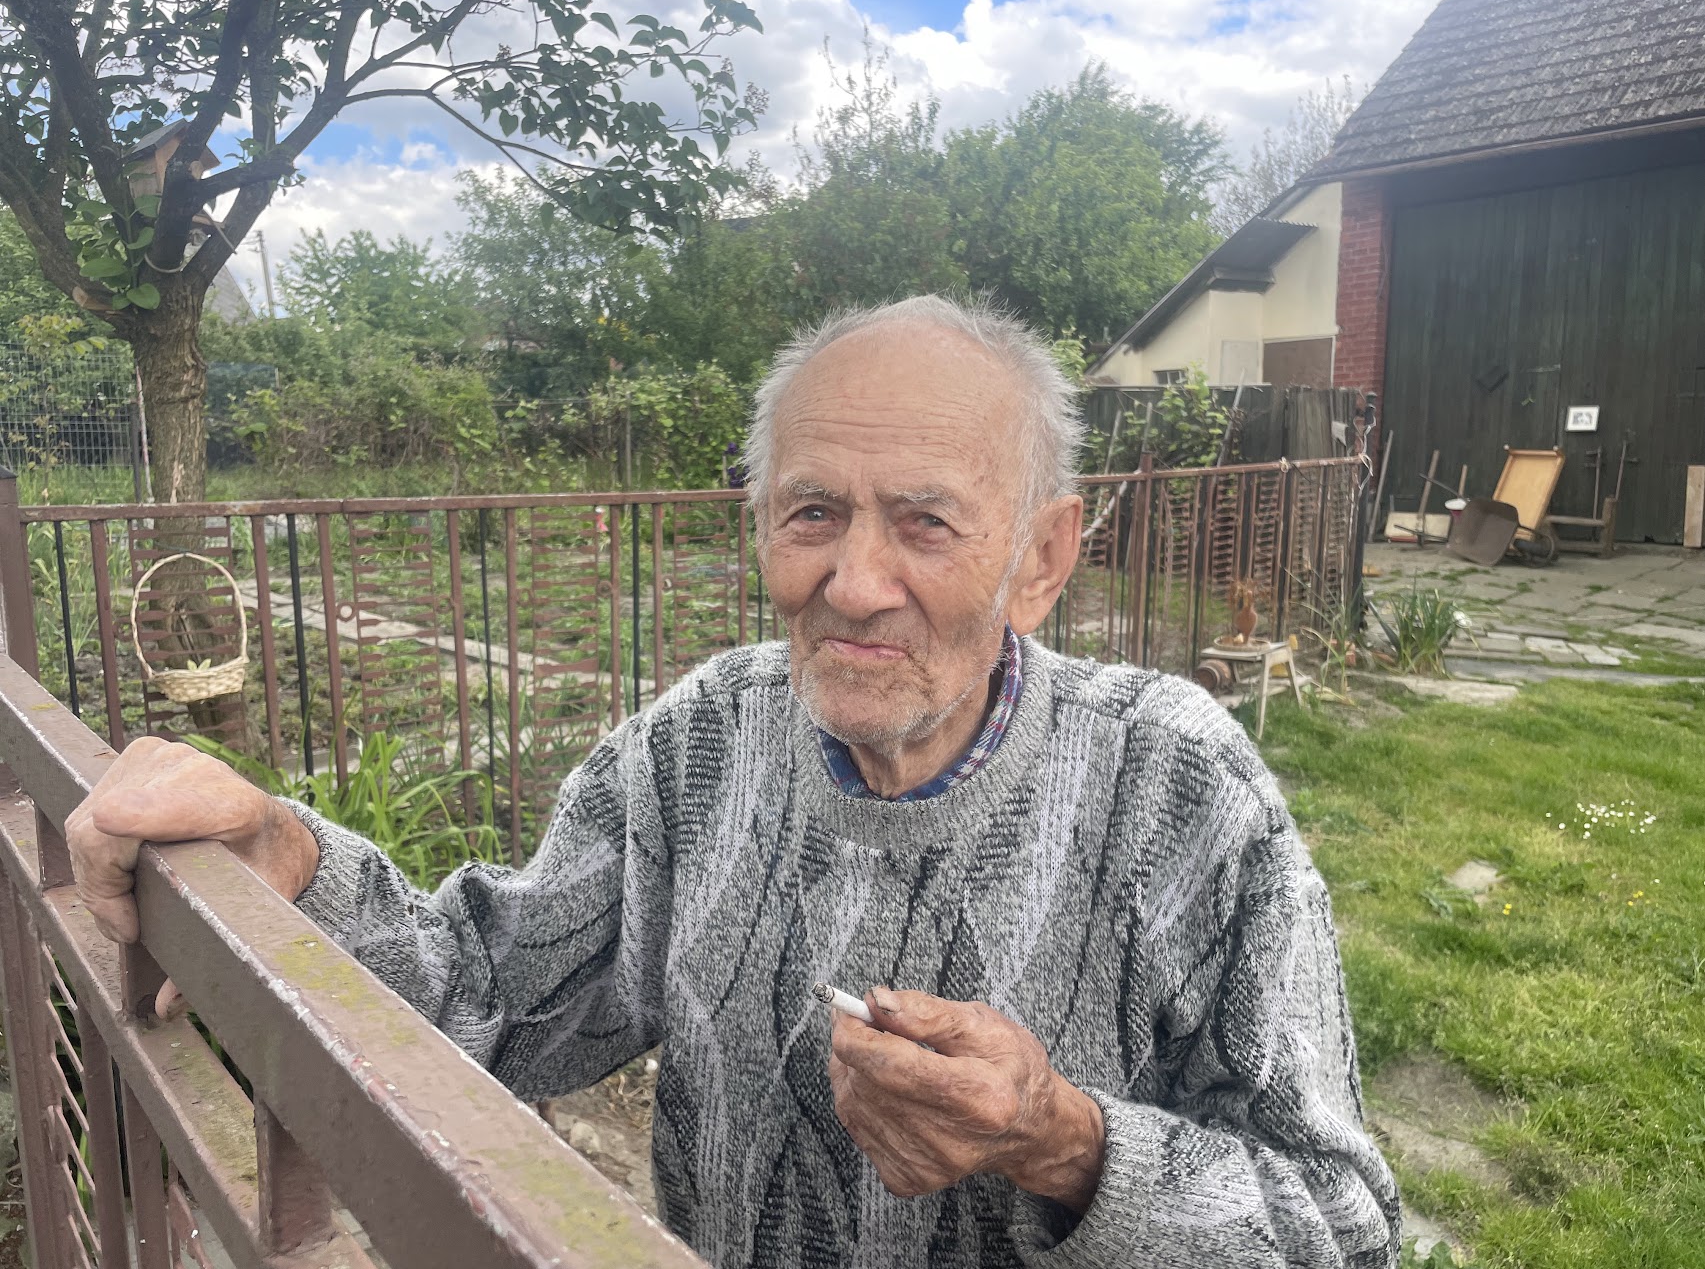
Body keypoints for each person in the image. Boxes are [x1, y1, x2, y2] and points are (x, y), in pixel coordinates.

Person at [67, 296, 1401, 1268]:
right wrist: (287, 856)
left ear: (1042, 559)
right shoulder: (703, 744)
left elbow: (1341, 1231)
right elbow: (491, 1000)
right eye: (812, 512)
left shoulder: (1174, 787)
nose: (854, 583)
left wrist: (1062, 1145)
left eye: (926, 522)